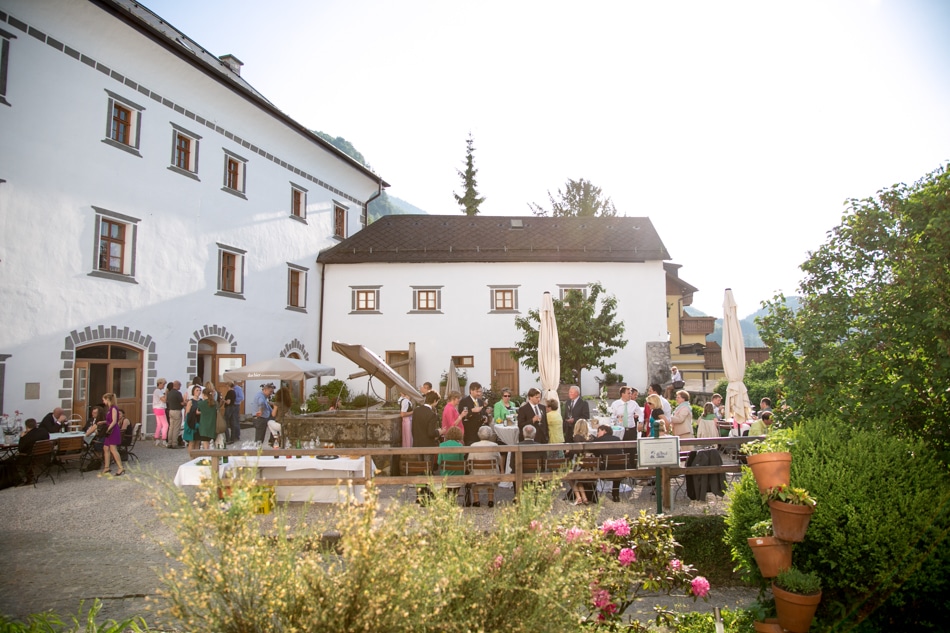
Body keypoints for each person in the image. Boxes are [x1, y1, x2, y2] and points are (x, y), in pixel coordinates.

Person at [467, 425, 502, 508]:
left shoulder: (473, 445)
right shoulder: (494, 445)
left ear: (479, 434)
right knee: (493, 470)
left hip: (477, 473)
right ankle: (490, 500)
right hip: (491, 473)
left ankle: (476, 500)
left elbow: (469, 460)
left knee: (472, 472)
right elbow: (499, 460)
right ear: (490, 435)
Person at [591, 424, 625, 502]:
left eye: (598, 431)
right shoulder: (617, 439)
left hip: (606, 469)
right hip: (621, 468)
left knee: (596, 465)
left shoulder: (599, 440)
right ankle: (615, 495)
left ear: (604, 431)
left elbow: (595, 454)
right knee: (617, 466)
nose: (597, 434)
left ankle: (593, 493)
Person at [15, 418, 50, 484]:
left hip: (31, 458)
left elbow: (20, 449)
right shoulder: (44, 431)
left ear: (26, 426)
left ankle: (28, 478)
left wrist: (22, 438)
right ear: (36, 424)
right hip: (45, 456)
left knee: (15, 459)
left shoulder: (27, 437)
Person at [412, 390, 441, 466]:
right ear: (434, 400)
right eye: (437, 401)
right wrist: (439, 432)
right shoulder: (432, 414)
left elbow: (413, 429)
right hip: (428, 444)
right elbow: (431, 433)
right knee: (428, 469)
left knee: (420, 467)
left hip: (417, 443)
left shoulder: (416, 411)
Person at [100, 393, 124, 476]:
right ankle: (106, 467)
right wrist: (103, 422)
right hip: (110, 429)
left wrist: (108, 429)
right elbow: (110, 420)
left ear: (107, 399)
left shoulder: (114, 408)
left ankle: (120, 467)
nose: (103, 402)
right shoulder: (110, 408)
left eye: (104, 400)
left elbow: (114, 421)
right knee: (105, 448)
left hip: (113, 430)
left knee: (113, 449)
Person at [458, 382, 489, 446]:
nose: (479, 394)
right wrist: (472, 411)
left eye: (480, 392)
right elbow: (461, 415)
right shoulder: (464, 401)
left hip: (480, 431)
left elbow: (483, 412)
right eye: (477, 391)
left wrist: (486, 417)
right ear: (471, 391)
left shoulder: (480, 401)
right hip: (469, 432)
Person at [165, 381, 185, 449]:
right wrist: (186, 403)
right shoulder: (178, 393)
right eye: (180, 385)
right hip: (177, 411)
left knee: (171, 428)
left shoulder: (169, 393)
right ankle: (174, 443)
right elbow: (181, 403)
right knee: (176, 428)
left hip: (171, 410)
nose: (180, 387)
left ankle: (169, 443)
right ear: (177, 385)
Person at [183, 384, 203, 451]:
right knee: (192, 442)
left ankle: (196, 458)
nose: (198, 392)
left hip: (199, 422)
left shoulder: (201, 401)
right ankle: (191, 457)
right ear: (193, 391)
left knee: (198, 441)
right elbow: (187, 413)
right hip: (192, 422)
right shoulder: (190, 401)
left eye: (200, 390)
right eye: (197, 390)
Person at [152, 378, 168, 446]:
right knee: (165, 425)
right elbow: (164, 400)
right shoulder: (159, 391)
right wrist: (166, 394)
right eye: (163, 384)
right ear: (160, 383)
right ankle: (164, 439)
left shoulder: (156, 391)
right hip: (160, 408)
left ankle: (157, 438)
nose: (164, 386)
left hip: (156, 408)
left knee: (159, 424)